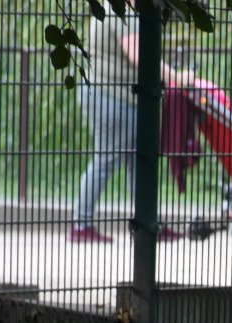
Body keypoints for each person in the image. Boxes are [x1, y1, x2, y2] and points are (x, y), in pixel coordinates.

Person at [70, 8, 193, 244]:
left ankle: (148, 222)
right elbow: (138, 54)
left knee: (139, 161)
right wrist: (177, 77)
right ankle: (81, 224)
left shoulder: (114, 8)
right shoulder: (121, 11)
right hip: (111, 96)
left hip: (114, 95)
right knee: (106, 159)